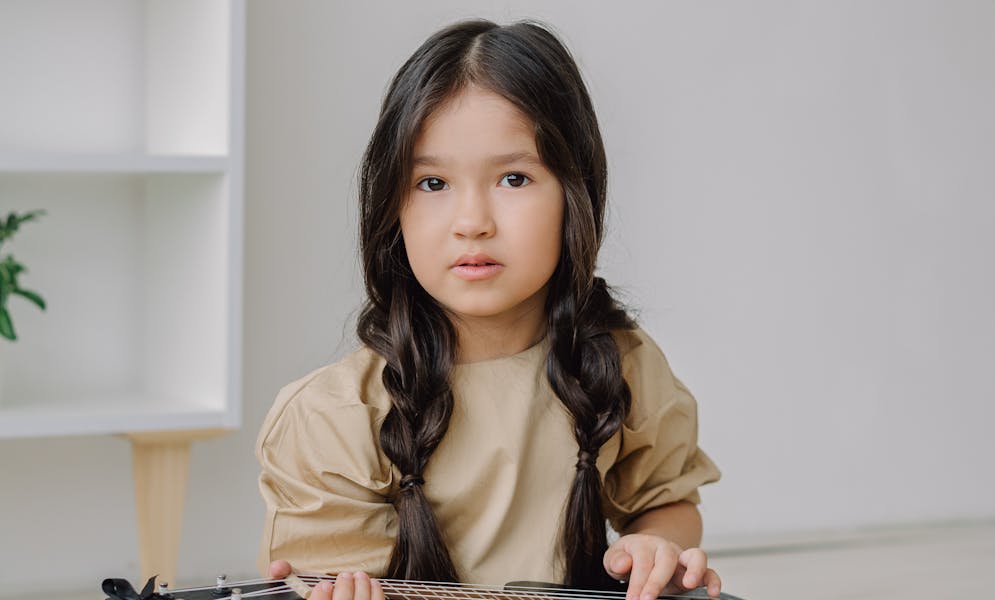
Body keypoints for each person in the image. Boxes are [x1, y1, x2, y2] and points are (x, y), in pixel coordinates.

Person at [256, 18, 725, 600]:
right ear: (392, 208)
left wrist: (658, 546)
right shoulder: (331, 417)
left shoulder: (621, 365)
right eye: (432, 183)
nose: (472, 221)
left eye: (513, 177)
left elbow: (668, 502)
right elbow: (320, 578)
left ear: (575, 197)